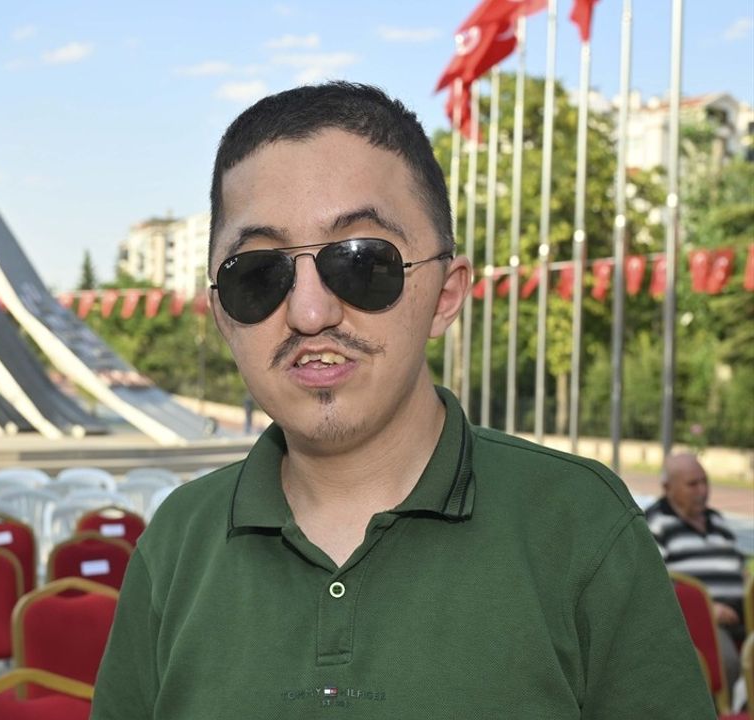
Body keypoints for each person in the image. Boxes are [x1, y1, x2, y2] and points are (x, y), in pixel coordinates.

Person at [92, 82, 711, 718]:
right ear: (223, 314)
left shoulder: (580, 525)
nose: (310, 312)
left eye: (362, 262)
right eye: (258, 273)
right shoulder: (176, 543)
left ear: (446, 295)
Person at [646, 451, 748, 692]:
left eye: (705, 482)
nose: (702, 490)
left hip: (743, 613)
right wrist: (708, 608)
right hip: (700, 620)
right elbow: (654, 582)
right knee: (726, 663)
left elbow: (741, 569)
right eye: (693, 484)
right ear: (668, 487)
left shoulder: (717, 521)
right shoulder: (655, 524)